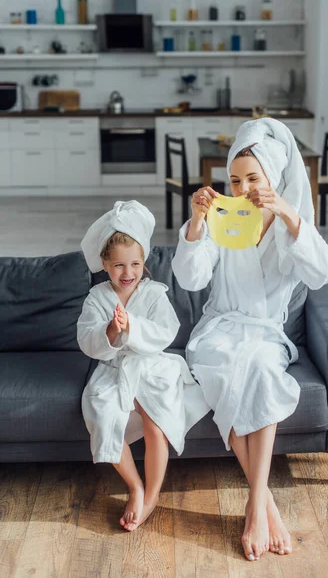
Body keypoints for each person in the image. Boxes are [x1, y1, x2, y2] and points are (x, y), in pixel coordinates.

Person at [172, 118, 328, 561]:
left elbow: (323, 273)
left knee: (262, 368)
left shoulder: (289, 226)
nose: (243, 187)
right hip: (219, 330)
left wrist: (287, 211)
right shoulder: (224, 221)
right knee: (226, 367)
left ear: (274, 180)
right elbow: (190, 278)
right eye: (235, 179)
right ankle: (263, 503)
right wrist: (196, 221)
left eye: (253, 179)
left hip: (265, 334)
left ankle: (255, 501)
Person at [77, 200, 208, 532]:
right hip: (114, 369)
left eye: (135, 263)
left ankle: (150, 496)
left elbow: (166, 332)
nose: (128, 273)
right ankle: (135, 486)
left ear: (144, 262)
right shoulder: (96, 298)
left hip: (151, 365)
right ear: (105, 265)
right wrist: (110, 331)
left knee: (156, 419)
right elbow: (86, 340)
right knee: (102, 415)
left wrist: (132, 327)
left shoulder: (153, 293)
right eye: (119, 265)